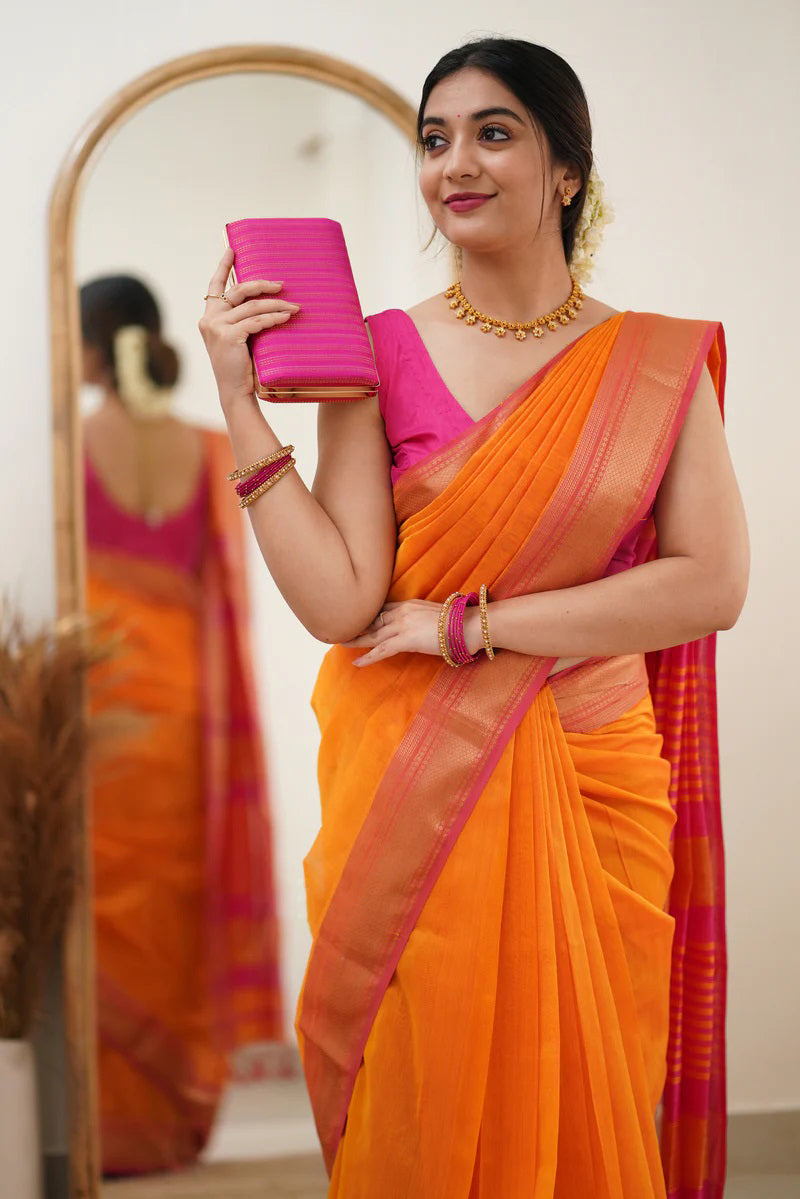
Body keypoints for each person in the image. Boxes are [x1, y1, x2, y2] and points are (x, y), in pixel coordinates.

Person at [199, 37, 748, 1199]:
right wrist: (242, 409)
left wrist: (475, 627)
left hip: (593, 772)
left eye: (493, 133)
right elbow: (342, 601)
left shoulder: (653, 361)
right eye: (434, 138)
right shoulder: (379, 353)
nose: (455, 162)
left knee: (589, 1080)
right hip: (408, 778)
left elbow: (710, 583)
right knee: (420, 1083)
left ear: (563, 172)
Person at [81, 275, 283, 1174]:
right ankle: (173, 1123)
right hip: (191, 730)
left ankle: (110, 1127)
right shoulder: (207, 450)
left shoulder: (70, 445)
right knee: (176, 908)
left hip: (99, 727)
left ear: (89, 345)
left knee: (106, 914)